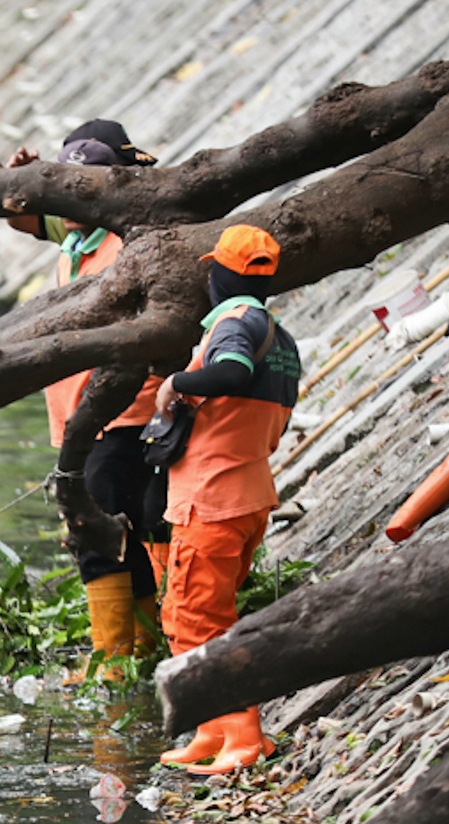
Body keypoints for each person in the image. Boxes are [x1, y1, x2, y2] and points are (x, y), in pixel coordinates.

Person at [7, 120, 166, 678]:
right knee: (124, 529)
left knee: (97, 532)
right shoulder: (79, 235)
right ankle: (142, 654)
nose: (71, 199)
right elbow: (29, 220)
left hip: (121, 415)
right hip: (81, 417)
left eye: (84, 186)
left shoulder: (129, 239)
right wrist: (23, 180)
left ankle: (116, 663)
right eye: (65, 185)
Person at [153, 225, 301, 774]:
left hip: (212, 498)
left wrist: (177, 383)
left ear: (221, 276)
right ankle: (212, 729)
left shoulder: (235, 326)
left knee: (198, 618)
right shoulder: (281, 340)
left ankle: (242, 735)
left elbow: (232, 372)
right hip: (247, 492)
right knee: (195, 613)